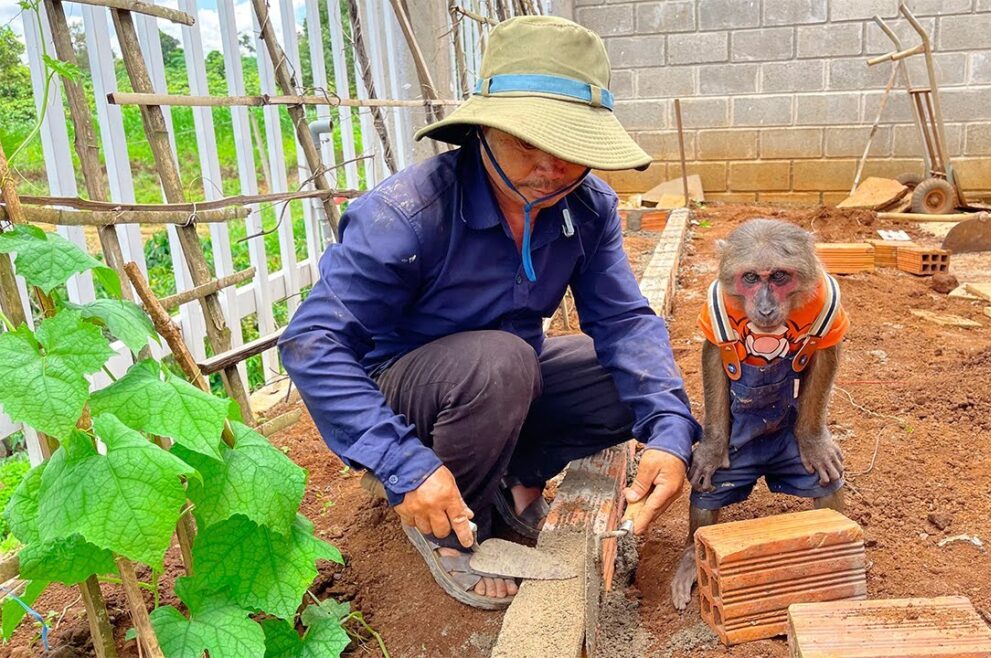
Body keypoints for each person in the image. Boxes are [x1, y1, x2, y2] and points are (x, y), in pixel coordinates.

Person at [278, 15, 700, 610]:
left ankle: (518, 483)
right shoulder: (405, 217)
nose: (552, 168)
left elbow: (625, 322)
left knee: (616, 378)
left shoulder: (586, 208)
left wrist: (669, 432)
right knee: (499, 362)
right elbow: (312, 342)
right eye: (529, 141)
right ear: (483, 131)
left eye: (571, 148)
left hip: (503, 376)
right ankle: (448, 524)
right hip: (402, 387)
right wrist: (401, 463)